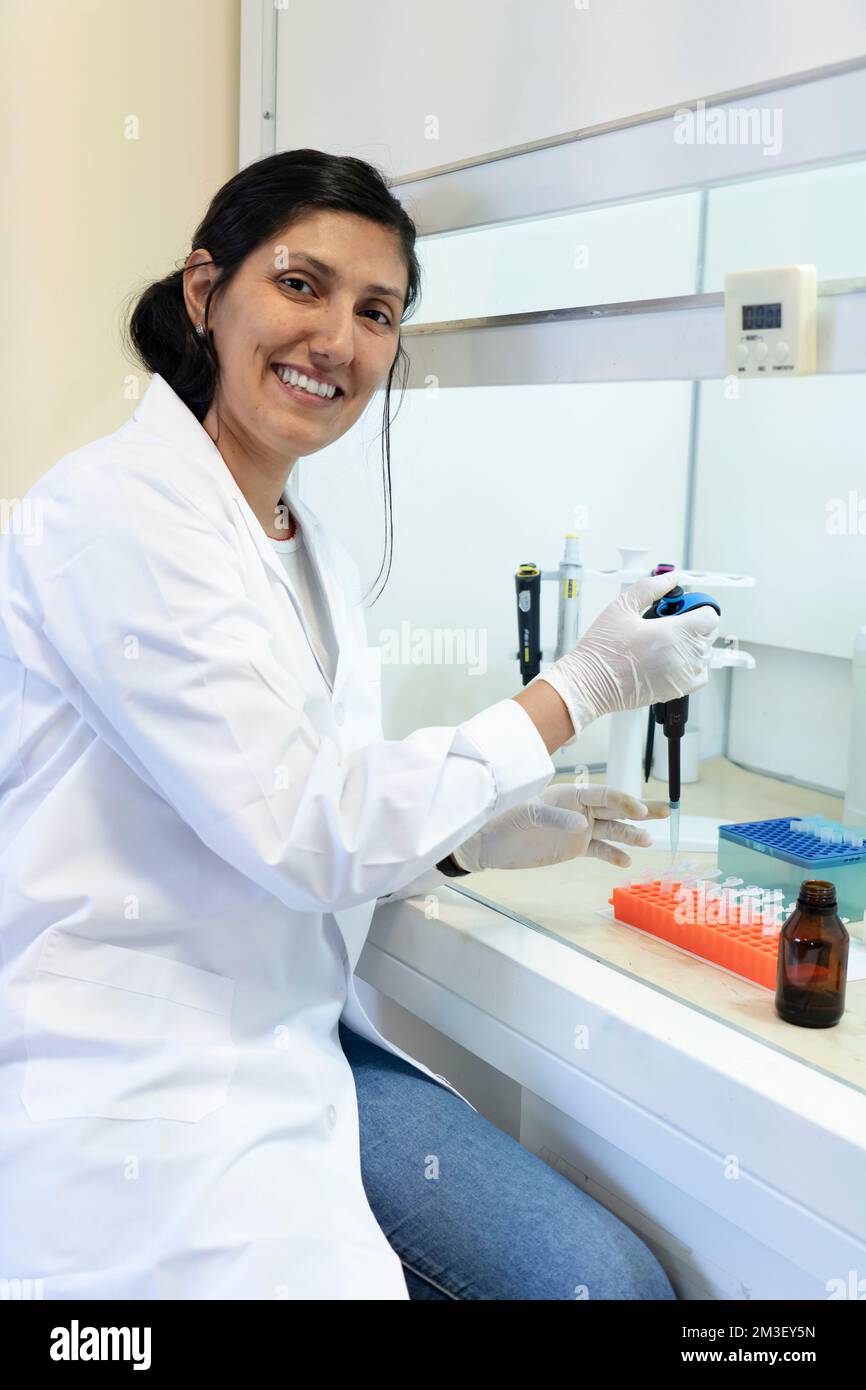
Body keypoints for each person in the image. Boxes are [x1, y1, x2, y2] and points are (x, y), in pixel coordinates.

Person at [0, 150, 718, 1300]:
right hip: (138, 1083)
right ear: (205, 292)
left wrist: (459, 838)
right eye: (301, 285)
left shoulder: (306, 544)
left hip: (294, 1044)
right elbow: (301, 824)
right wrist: (575, 689)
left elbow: (296, 796)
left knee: (595, 1280)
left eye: (375, 311)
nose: (336, 337)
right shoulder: (112, 515)